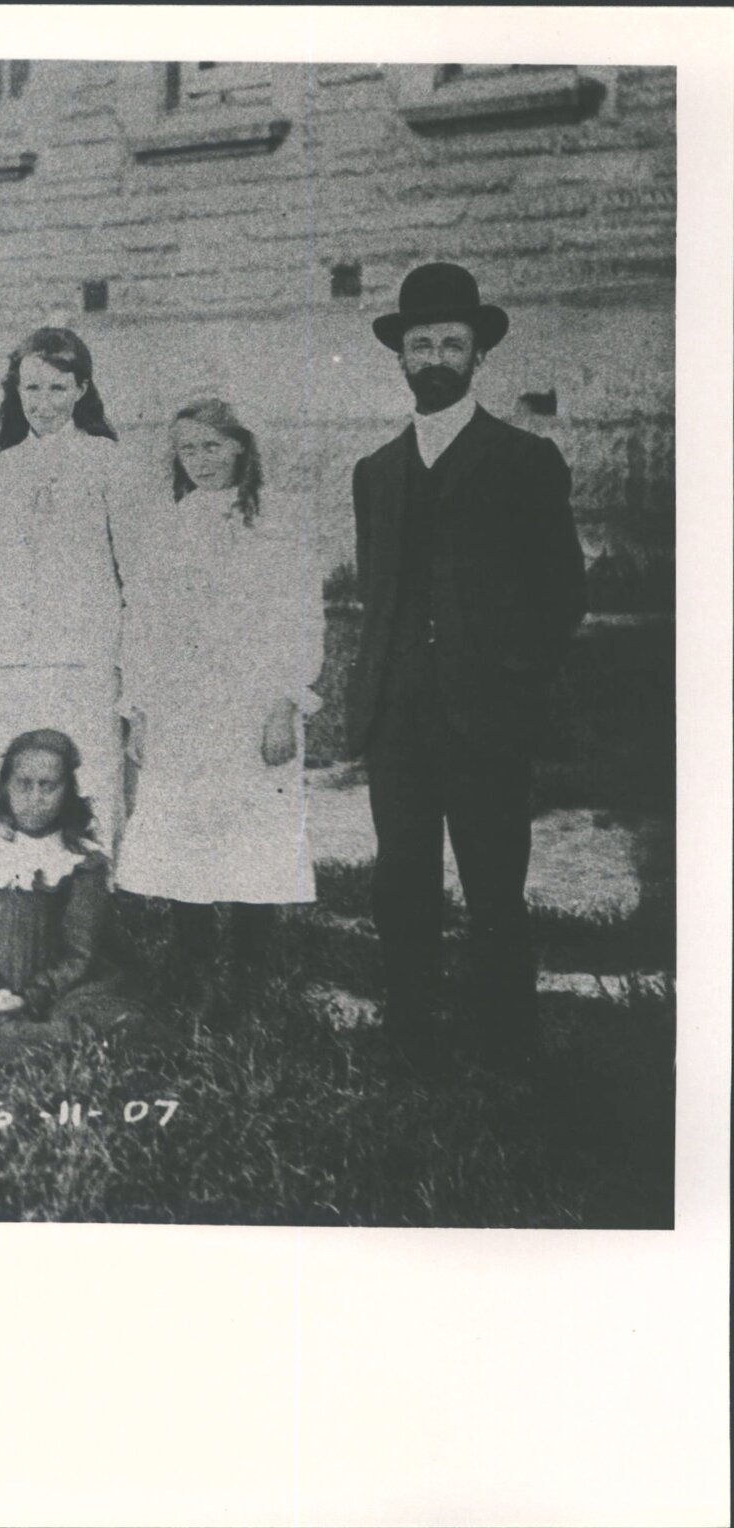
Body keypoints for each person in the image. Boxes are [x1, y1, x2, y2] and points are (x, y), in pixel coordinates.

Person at [348, 262, 587, 1073]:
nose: (436, 358)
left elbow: (561, 594)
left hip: (487, 715)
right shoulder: (376, 472)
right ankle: (409, 1033)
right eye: (421, 345)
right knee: (400, 883)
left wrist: (513, 682)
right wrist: (378, 692)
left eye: (452, 343)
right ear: (401, 357)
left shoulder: (524, 459)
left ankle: (506, 1046)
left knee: (493, 885)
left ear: (479, 355)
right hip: (398, 718)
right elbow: (377, 592)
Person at [114, 395, 323, 1018]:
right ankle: (197, 975)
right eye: (187, 449)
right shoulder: (164, 524)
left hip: (252, 701)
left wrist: (286, 702)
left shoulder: (278, 519)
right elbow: (142, 620)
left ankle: (250, 979)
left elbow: (301, 614)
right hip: (182, 704)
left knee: (255, 836)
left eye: (212, 446)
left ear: (240, 447)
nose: (200, 460)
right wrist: (139, 710)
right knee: (187, 835)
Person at [0, 326, 128, 848]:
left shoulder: (108, 462)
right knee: (8, 790)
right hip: (12, 664)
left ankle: (93, 890)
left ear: (81, 389)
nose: (44, 402)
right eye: (32, 388)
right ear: (16, 391)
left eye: (58, 388)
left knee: (91, 785)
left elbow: (134, 575)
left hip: (86, 661)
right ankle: (10, 889)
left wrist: (131, 670)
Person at [0, 730, 141, 1061]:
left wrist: (29, 997)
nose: (35, 797)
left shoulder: (80, 861)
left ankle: (19, 1038)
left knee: (88, 1019)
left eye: (48, 786)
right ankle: (9, 1034)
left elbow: (80, 953)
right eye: (23, 784)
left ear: (68, 791)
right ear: (5, 786)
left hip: (59, 989)